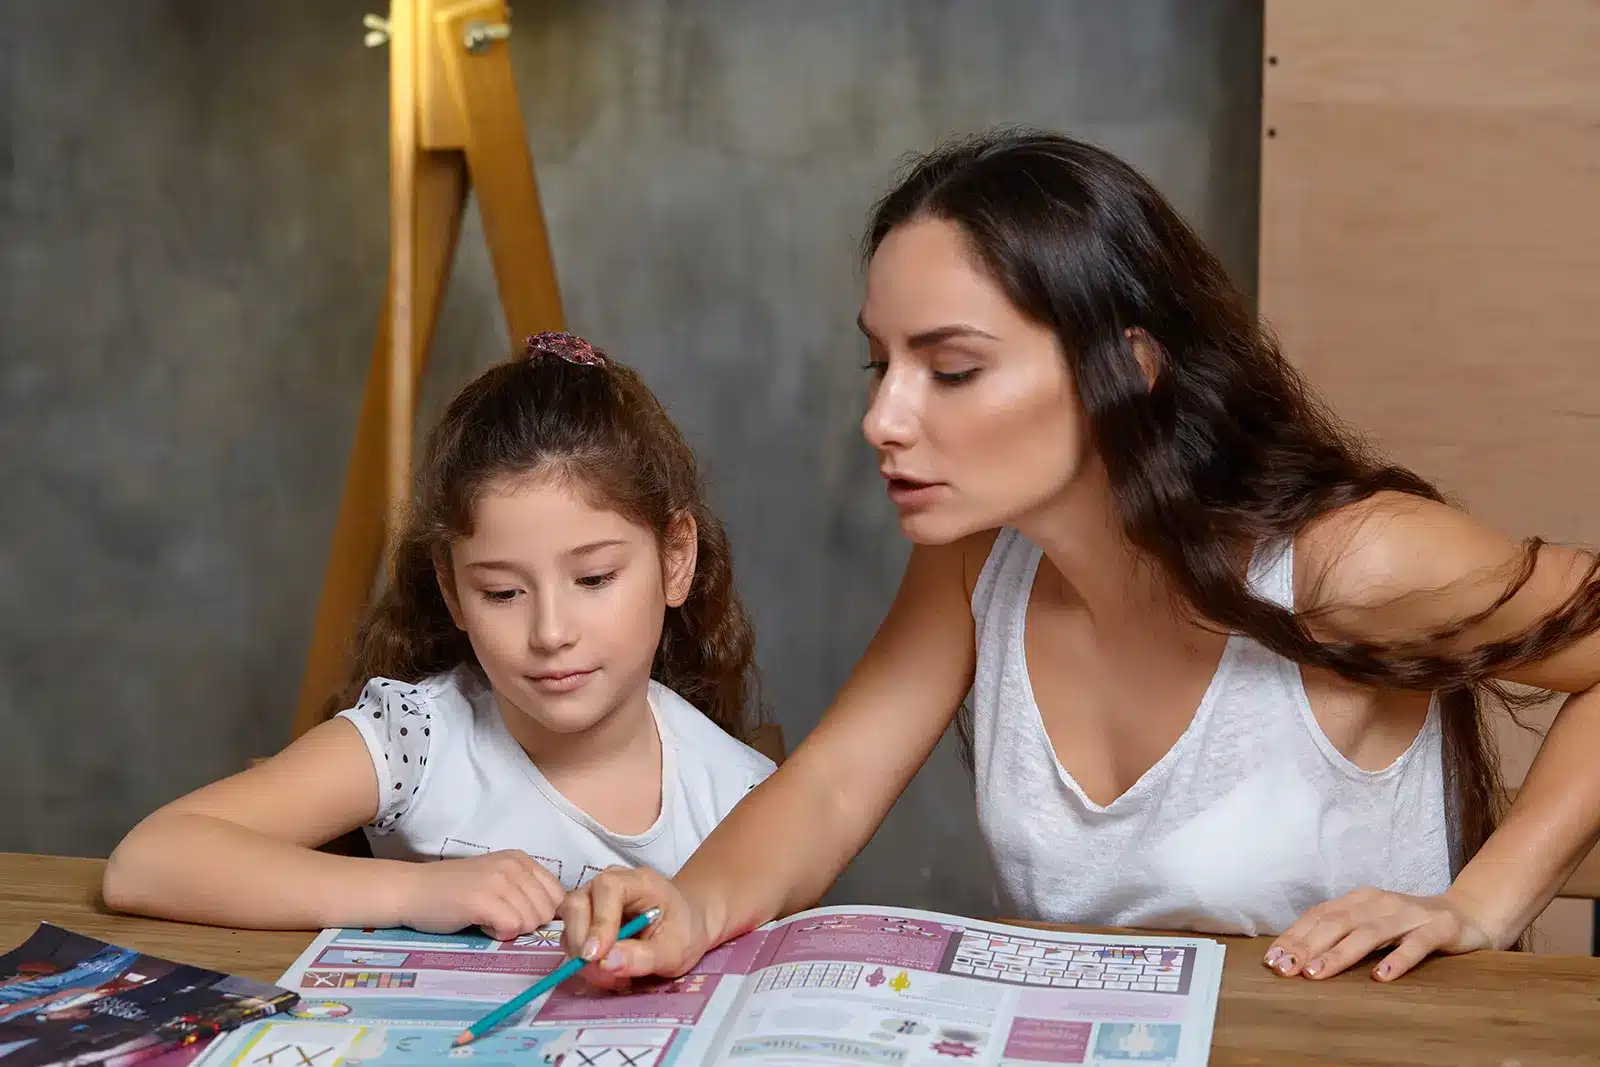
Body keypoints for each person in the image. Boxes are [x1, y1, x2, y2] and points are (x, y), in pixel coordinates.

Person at [558, 129, 1600, 984]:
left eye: (951, 367)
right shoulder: (978, 562)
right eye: (880, 362)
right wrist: (689, 905)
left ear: (1128, 366)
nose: (882, 416)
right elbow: (831, 784)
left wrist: (1482, 900)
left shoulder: (1347, 566)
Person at [102, 332, 776, 939]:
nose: (550, 632)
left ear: (675, 559)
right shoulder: (416, 741)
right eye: (502, 592)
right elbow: (148, 860)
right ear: (452, 589)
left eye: (594, 578)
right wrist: (415, 889)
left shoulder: (744, 796)